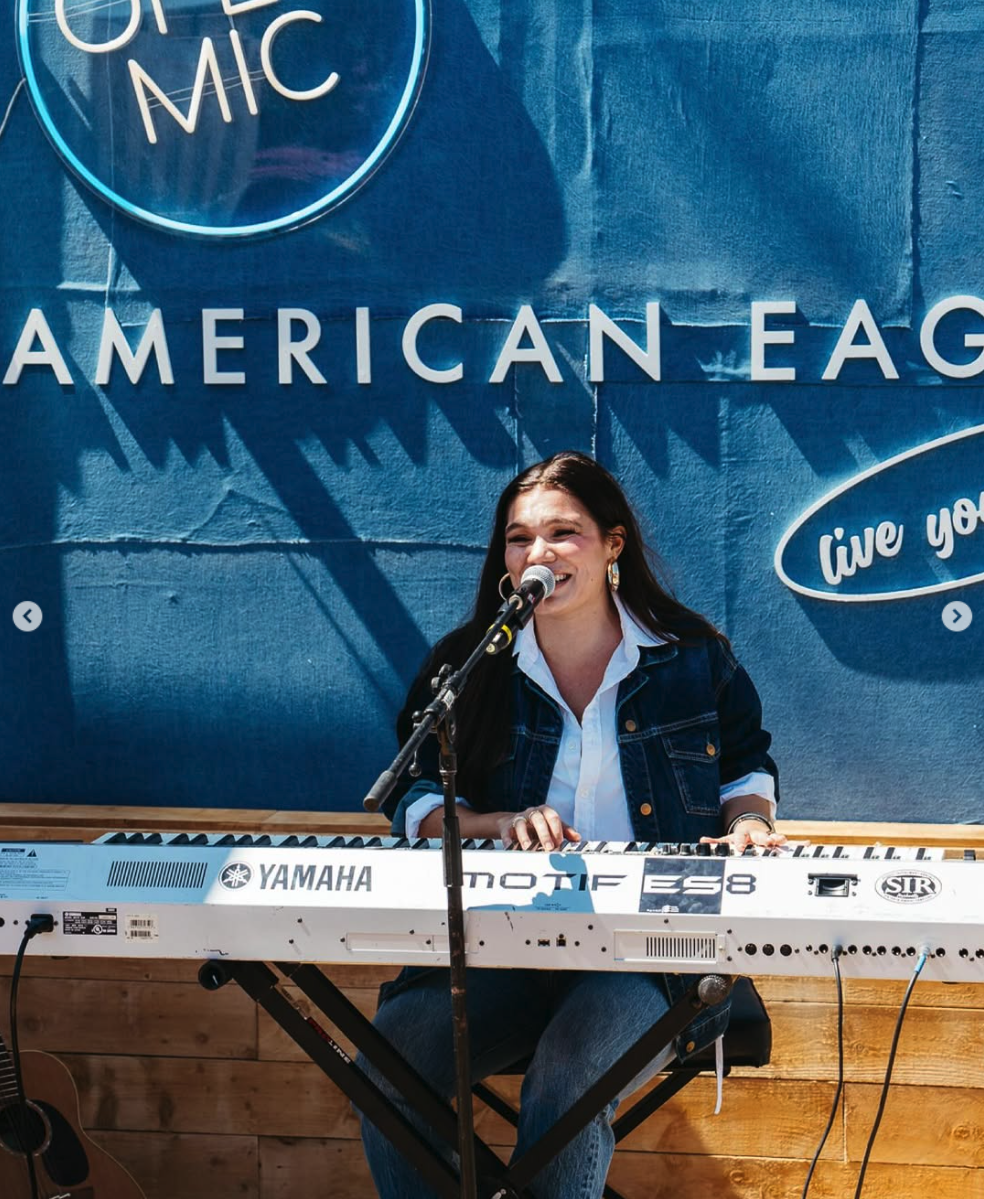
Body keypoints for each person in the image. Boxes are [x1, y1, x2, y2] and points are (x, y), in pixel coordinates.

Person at [359, 450, 782, 1199]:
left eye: (564, 533)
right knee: (388, 1067)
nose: (539, 554)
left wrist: (748, 821)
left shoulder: (692, 659)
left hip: (645, 955)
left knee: (565, 1086)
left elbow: (745, 769)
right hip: (500, 946)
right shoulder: (469, 664)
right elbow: (414, 794)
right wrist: (494, 821)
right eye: (520, 538)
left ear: (614, 544)